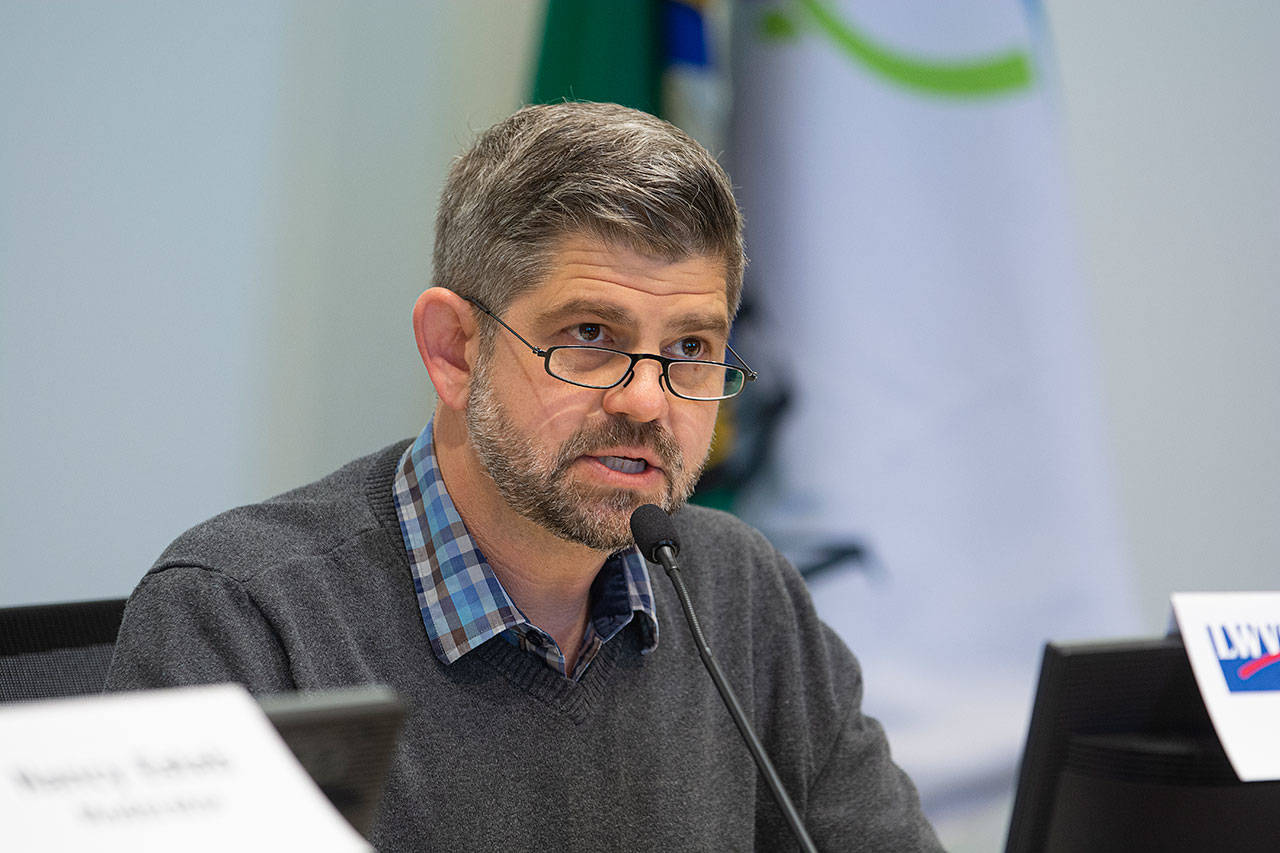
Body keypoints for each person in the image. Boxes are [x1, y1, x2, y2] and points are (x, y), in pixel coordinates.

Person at [106, 102, 942, 852]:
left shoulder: (742, 593)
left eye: (690, 347)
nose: (647, 400)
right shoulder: (245, 617)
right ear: (455, 350)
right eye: (591, 334)